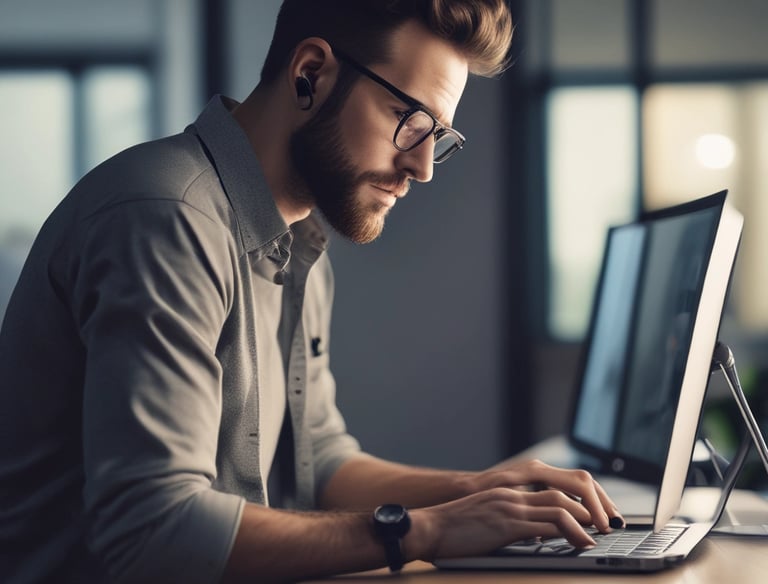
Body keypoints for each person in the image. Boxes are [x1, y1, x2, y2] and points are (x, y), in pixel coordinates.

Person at [0, 1, 624, 582]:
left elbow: (318, 460)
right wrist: (427, 531)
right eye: (412, 120)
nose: (424, 166)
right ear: (310, 74)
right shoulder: (168, 218)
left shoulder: (298, 242)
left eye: (441, 136)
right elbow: (150, 528)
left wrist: (478, 491)